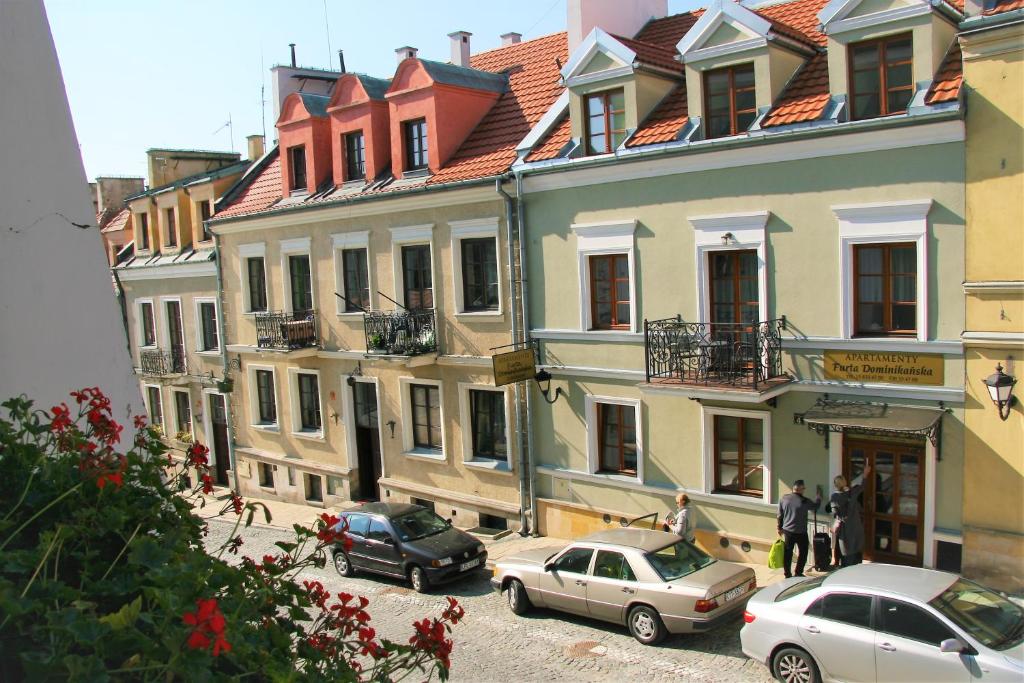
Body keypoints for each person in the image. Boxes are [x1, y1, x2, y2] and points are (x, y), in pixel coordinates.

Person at [776, 479, 821, 578]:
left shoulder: (784, 498)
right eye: (804, 488)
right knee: (803, 552)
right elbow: (815, 506)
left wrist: (779, 527)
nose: (804, 490)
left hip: (788, 531)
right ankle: (798, 572)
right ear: (801, 489)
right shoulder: (804, 501)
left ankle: (787, 574)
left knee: (788, 553)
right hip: (801, 532)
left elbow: (780, 515)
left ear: (793, 488)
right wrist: (818, 497)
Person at [830, 463, 871, 567]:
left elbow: (835, 512)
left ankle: (846, 573)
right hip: (856, 526)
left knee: (847, 553)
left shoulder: (835, 497)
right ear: (844, 482)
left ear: (836, 485)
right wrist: (865, 473)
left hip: (845, 528)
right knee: (857, 550)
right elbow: (863, 486)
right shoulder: (853, 492)